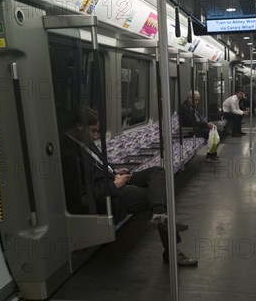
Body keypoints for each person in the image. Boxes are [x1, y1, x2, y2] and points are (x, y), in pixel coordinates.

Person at [62, 107, 198, 267]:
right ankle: (170, 249)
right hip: (108, 195)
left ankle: (159, 213)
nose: (96, 136)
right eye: (92, 131)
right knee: (158, 195)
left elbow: (100, 164)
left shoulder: (85, 142)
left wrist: (115, 170)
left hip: (114, 179)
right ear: (79, 127)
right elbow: (82, 198)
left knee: (157, 172)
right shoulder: (68, 155)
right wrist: (114, 184)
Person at [180, 90, 220, 162]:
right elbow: (191, 123)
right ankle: (210, 155)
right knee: (211, 133)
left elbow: (198, 118)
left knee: (214, 130)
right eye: (196, 100)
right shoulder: (185, 108)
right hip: (190, 131)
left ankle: (212, 154)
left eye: (198, 100)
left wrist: (206, 123)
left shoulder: (191, 106)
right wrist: (206, 124)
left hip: (197, 128)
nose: (197, 102)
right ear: (189, 98)